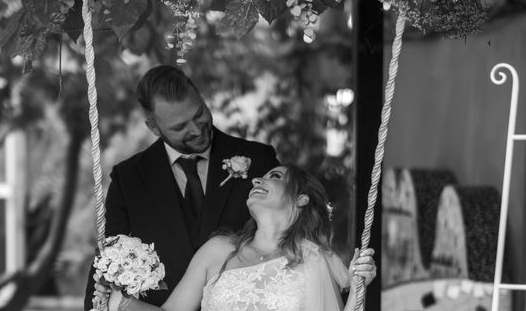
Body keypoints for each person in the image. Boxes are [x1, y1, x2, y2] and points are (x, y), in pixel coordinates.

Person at [84, 65, 280, 310]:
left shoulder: (259, 159)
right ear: (154, 127)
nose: (197, 130)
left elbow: (290, 238)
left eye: (199, 114)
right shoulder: (129, 180)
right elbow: (107, 266)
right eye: (180, 127)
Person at [102, 164, 377, 311]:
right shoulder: (218, 250)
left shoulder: (314, 259)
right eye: (258, 177)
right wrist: (118, 301)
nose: (257, 180)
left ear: (301, 198)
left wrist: (357, 288)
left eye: (275, 176)